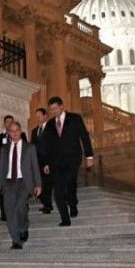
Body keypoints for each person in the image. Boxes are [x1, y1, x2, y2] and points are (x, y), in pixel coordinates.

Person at [41, 97, 94, 226]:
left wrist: (89, 156)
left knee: (70, 183)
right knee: (58, 189)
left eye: (55, 108)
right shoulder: (49, 124)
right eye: (51, 109)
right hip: (56, 162)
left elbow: (84, 136)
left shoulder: (75, 118)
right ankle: (65, 218)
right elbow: (46, 145)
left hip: (72, 158)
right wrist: (46, 163)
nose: (53, 111)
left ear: (61, 106)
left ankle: (73, 204)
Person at [0, 122, 41, 249]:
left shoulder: (30, 148)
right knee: (9, 211)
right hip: (9, 182)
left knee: (21, 205)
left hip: (24, 182)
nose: (14, 133)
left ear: (20, 131)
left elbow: (35, 167)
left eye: (16, 130)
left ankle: (23, 227)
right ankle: (16, 240)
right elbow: (2, 168)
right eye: (11, 131)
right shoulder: (4, 149)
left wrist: (38, 184)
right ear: (9, 133)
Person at [0, 115, 28, 221]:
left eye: (11, 122)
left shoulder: (21, 135)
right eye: (7, 122)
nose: (9, 124)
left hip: (16, 169)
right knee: (0, 192)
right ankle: (4, 214)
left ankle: (21, 213)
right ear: (4, 123)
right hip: (1, 169)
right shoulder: (0, 137)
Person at [30, 107, 53, 214]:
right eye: (36, 117)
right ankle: (45, 203)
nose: (38, 119)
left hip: (47, 161)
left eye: (39, 116)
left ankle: (48, 205)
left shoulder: (51, 128)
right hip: (36, 162)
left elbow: (53, 146)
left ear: (45, 116)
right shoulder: (34, 131)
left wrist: (49, 162)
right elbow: (32, 146)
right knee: (38, 183)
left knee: (47, 184)